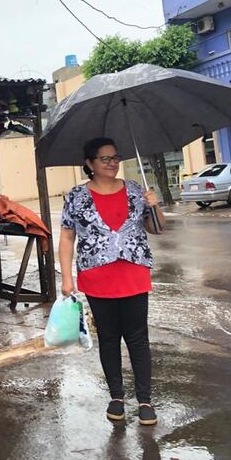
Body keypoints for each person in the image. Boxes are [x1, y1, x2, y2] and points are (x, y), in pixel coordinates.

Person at [58, 137, 166, 426]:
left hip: (133, 274)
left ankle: (145, 400)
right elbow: (67, 236)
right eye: (105, 158)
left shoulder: (134, 189)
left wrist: (154, 206)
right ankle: (116, 397)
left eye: (115, 157)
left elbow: (156, 229)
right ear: (90, 163)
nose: (112, 163)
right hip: (97, 277)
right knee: (108, 338)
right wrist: (66, 277)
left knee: (138, 338)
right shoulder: (76, 196)